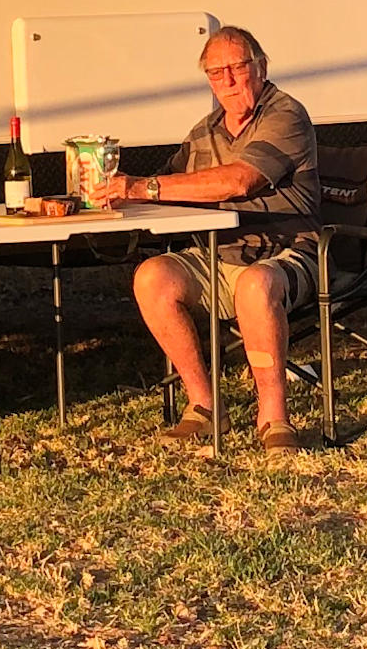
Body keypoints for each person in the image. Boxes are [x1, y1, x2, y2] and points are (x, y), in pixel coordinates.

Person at [108, 25, 321, 448]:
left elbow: (240, 181)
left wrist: (141, 187)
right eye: (215, 72)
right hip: (218, 251)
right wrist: (104, 192)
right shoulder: (205, 131)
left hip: (288, 250)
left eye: (237, 67)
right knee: (152, 276)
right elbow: (173, 182)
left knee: (256, 285)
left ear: (260, 67)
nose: (227, 80)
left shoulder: (285, 115)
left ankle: (274, 418)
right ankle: (204, 406)